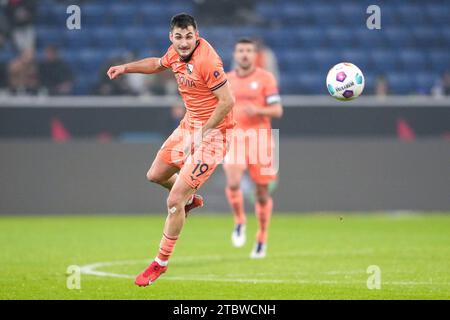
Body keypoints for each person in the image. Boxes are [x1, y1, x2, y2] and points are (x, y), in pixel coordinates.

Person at [107, 13, 235, 286]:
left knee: (173, 200)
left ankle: (160, 262)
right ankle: (190, 200)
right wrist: (125, 68)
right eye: (179, 37)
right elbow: (157, 63)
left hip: (215, 135)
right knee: (155, 175)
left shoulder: (207, 60)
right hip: (189, 125)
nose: (184, 42)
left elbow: (227, 102)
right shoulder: (175, 53)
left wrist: (202, 134)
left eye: (189, 36)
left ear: (196, 35)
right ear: (171, 38)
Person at [223, 38, 283, 258]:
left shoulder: (266, 78)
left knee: (262, 193)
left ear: (255, 54)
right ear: (235, 54)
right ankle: (239, 221)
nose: (245, 54)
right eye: (241, 50)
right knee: (233, 181)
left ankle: (262, 237)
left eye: (249, 50)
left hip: (262, 139)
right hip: (235, 137)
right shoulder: (226, 80)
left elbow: (277, 110)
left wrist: (258, 110)